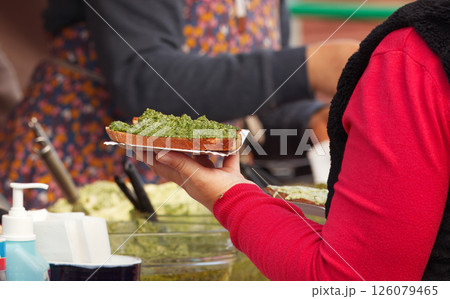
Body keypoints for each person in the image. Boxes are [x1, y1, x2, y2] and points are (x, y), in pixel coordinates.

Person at [135, 0, 450, 280]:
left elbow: (352, 280)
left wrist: (232, 197)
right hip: (136, 190)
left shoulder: (413, 56)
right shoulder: (410, 57)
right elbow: (141, 78)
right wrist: (308, 75)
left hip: (230, 182)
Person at [0, 0, 357, 207]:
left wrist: (312, 119)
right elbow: (145, 84)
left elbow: (255, 94)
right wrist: (309, 67)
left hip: (196, 188)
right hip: (81, 175)